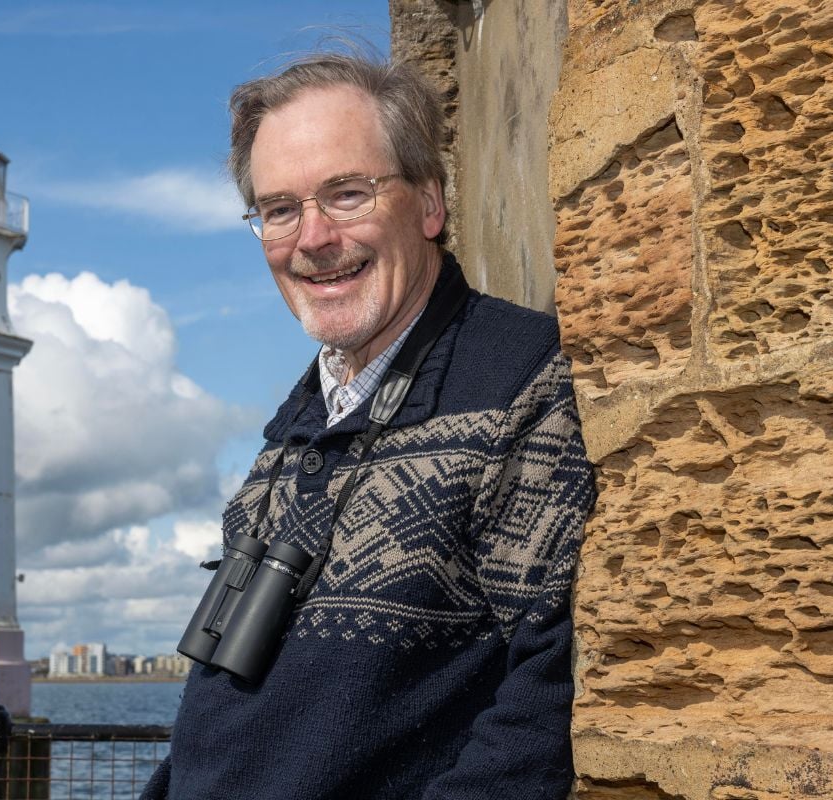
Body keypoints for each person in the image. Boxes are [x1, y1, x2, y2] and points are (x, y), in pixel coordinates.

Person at [143, 52, 596, 800]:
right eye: (279, 209)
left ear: (428, 204)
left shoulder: (521, 385)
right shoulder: (287, 439)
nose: (311, 238)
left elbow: (545, 705)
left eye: (347, 194)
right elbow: (214, 719)